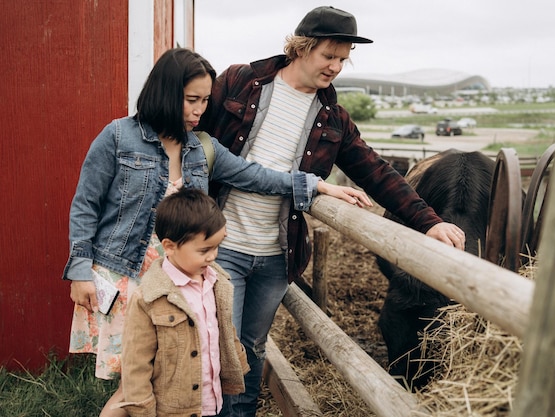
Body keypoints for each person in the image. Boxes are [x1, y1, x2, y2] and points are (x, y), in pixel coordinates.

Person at [63, 47, 370, 417]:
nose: (199, 110)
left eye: (205, 101)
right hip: (124, 278)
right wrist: (80, 270)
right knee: (134, 380)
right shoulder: (117, 137)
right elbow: (86, 204)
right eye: (191, 100)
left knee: (163, 375)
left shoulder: (201, 148)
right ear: (165, 93)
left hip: (178, 282)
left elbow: (255, 175)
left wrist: (317, 186)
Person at [196, 6, 467, 416]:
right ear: (302, 48)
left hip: (275, 254)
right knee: (223, 347)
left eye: (343, 59)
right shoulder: (240, 82)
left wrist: (429, 222)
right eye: (329, 56)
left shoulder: (333, 118)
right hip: (221, 244)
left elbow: (378, 174)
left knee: (251, 348)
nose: (336, 67)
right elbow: (194, 135)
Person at [116, 188, 248, 417]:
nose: (213, 256)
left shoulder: (217, 281)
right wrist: (143, 409)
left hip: (214, 401)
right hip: (175, 409)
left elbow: (226, 330)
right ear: (169, 246)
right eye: (204, 250)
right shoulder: (150, 298)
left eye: (217, 247)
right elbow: (135, 364)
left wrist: (238, 362)